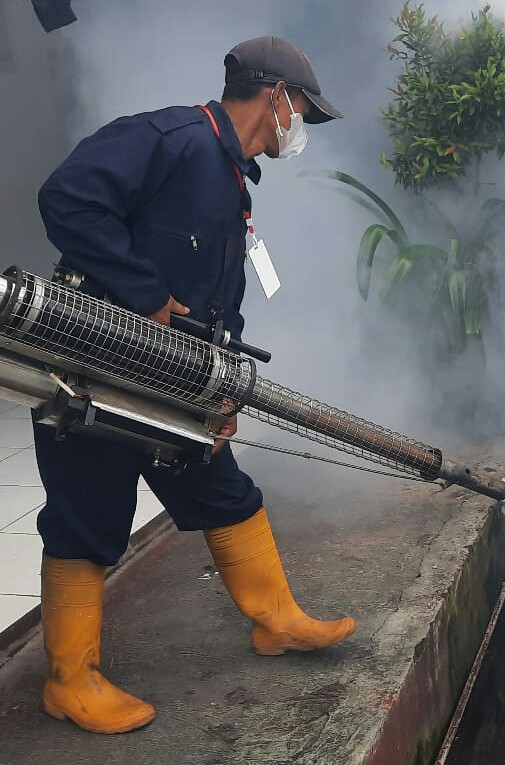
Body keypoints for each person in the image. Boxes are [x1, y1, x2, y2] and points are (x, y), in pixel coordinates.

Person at [33, 36, 354, 735]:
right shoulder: (169, 139)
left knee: (221, 485)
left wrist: (224, 391)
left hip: (172, 378)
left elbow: (218, 303)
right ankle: (69, 680)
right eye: (300, 107)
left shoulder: (233, 181)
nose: (299, 125)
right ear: (274, 95)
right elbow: (66, 199)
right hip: (95, 364)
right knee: (88, 516)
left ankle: (277, 621)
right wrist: (144, 291)